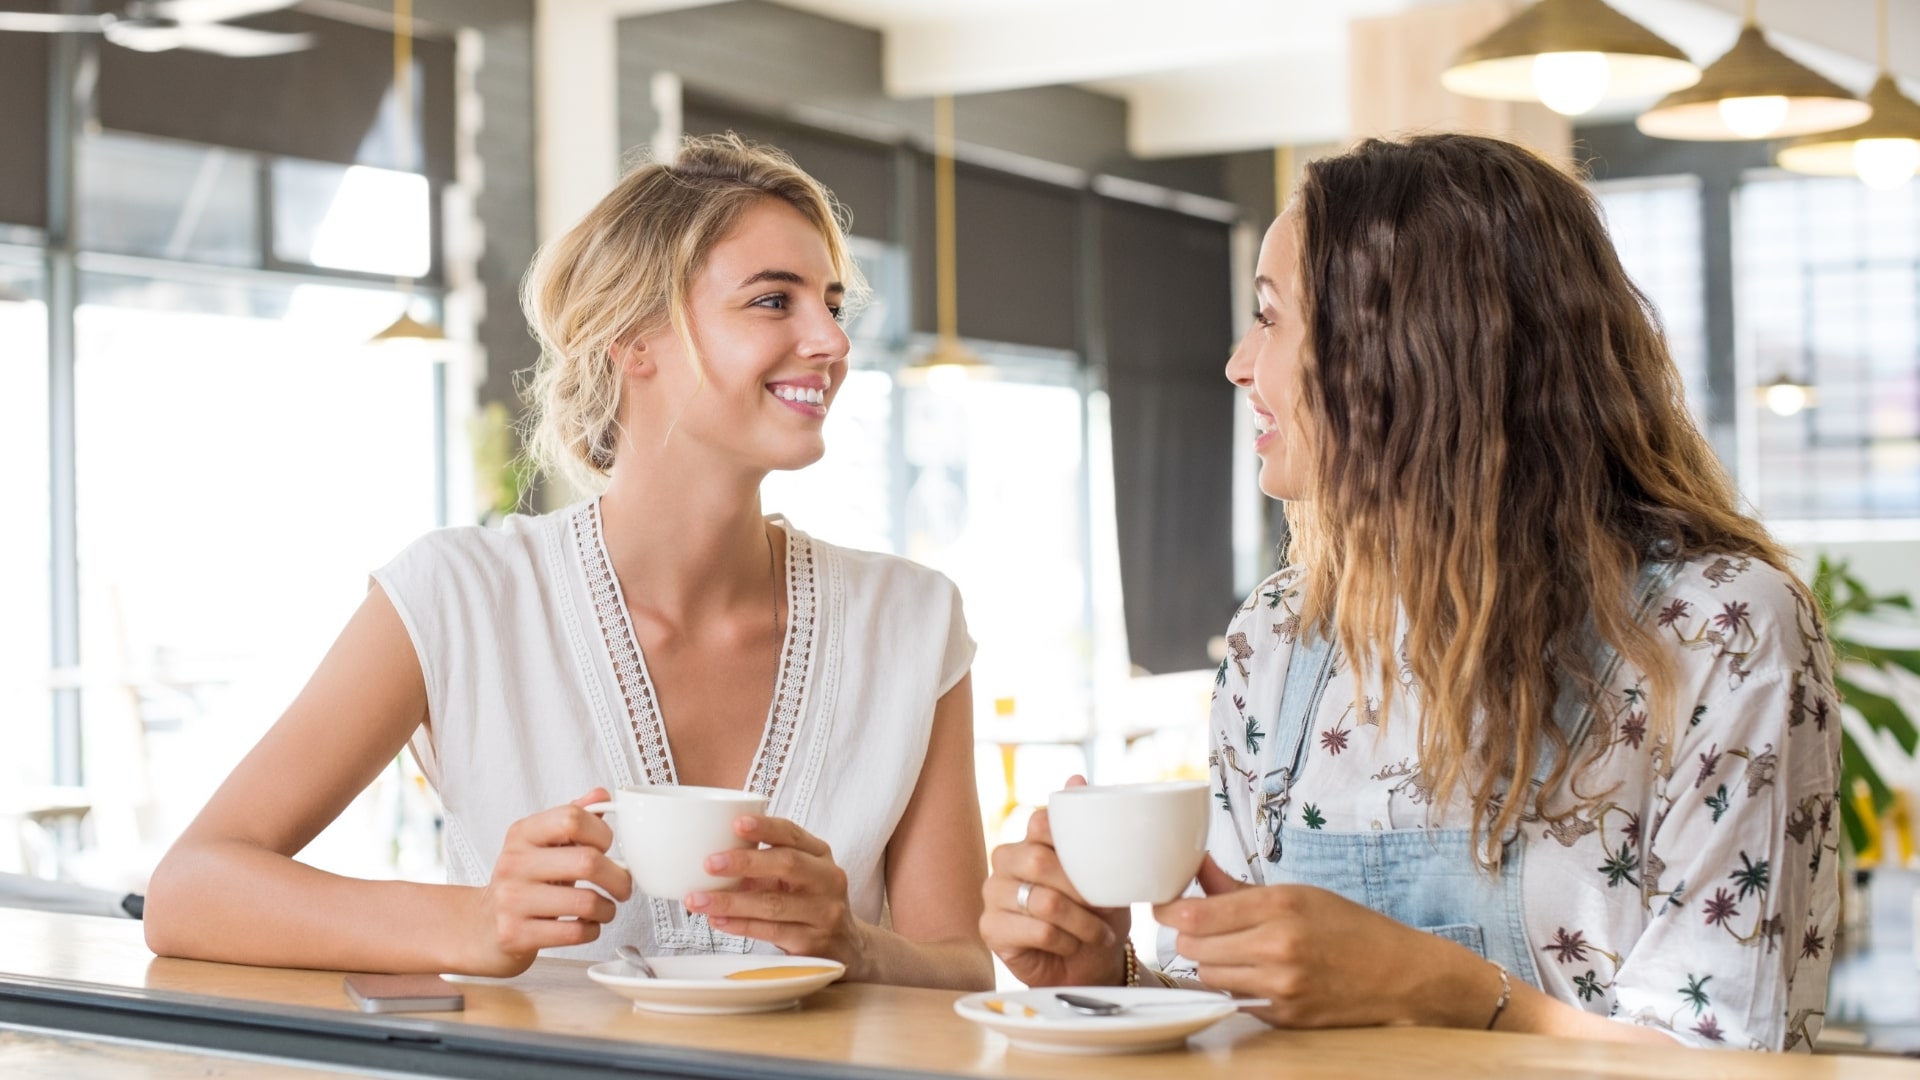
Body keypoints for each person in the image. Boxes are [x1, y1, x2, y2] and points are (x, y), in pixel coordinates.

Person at [981, 133, 1841, 1050]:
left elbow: (1734, 1063)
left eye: (1271, 318)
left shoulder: (1717, 634)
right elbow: (1233, 1018)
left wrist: (1444, 988)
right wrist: (1109, 978)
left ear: (1407, 351)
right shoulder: (1277, 637)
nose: (1238, 364)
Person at [145, 135, 993, 991]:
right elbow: (190, 890)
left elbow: (962, 965)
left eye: (833, 306)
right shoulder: (456, 598)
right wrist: (473, 920)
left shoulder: (912, 622)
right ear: (632, 340)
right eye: (775, 302)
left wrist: (854, 943)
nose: (832, 342)